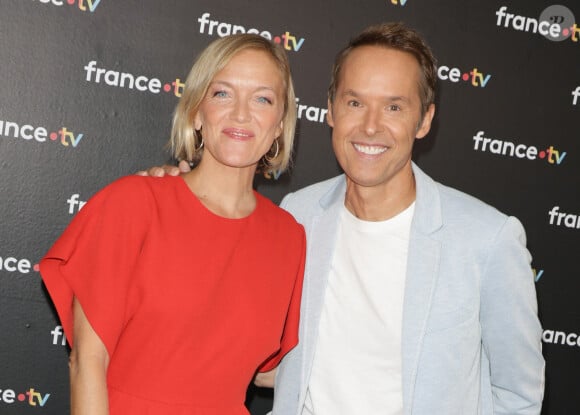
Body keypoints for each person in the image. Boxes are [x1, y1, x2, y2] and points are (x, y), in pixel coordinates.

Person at [145, 23, 545, 414]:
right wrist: (181, 193)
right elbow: (254, 353)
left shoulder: (486, 239)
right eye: (355, 103)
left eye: (393, 106)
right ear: (332, 110)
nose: (370, 126)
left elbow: (519, 396)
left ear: (424, 120)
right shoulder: (296, 218)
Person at [40, 34, 305, 415]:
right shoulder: (133, 204)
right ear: (197, 112)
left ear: (279, 124)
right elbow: (86, 362)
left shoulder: (289, 237)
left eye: (262, 99)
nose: (242, 114)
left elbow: (271, 374)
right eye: (222, 94)